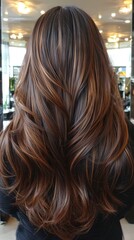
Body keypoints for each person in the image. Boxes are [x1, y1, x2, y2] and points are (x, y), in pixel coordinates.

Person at [0, 6, 134, 240]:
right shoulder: (124, 136)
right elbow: (126, 204)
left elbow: (6, 204)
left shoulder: (13, 140)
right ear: (99, 63)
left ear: (32, 65)